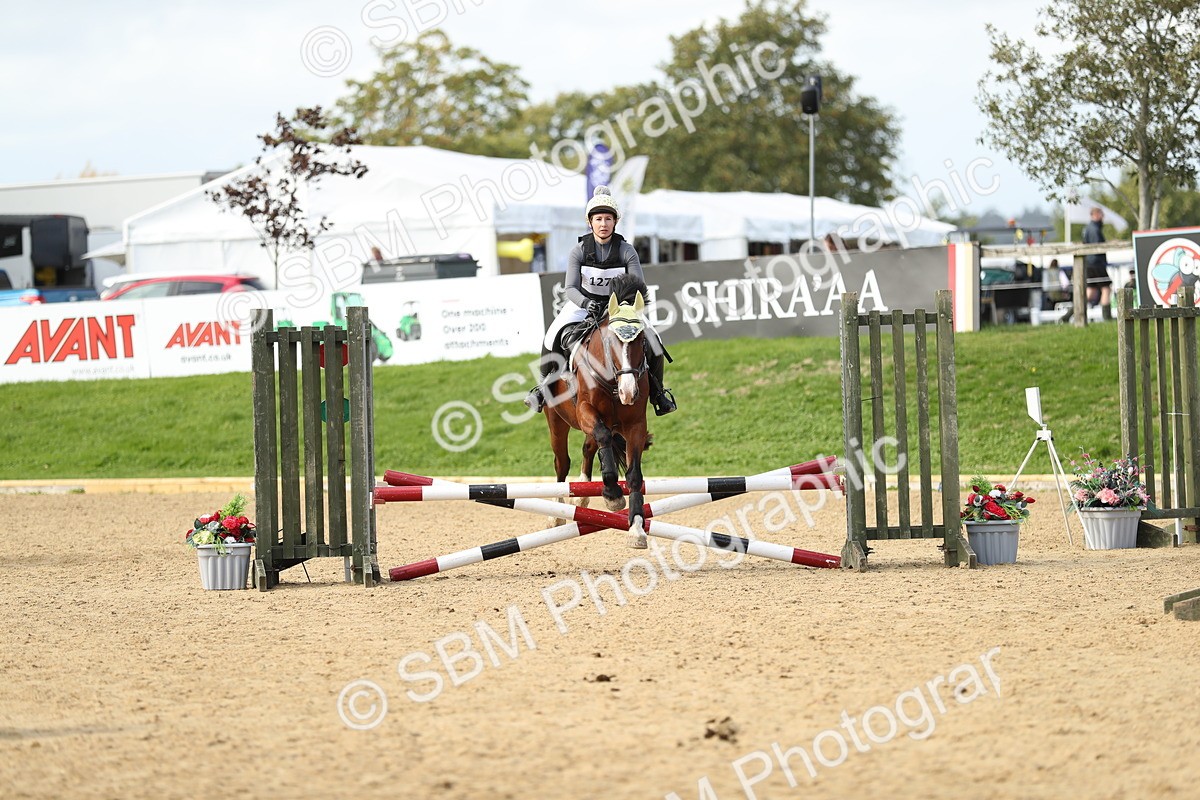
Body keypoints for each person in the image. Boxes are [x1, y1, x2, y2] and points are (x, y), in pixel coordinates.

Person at [524, 186, 676, 415]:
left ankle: (658, 394)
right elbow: (570, 288)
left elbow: (637, 288)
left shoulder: (627, 251)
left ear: (615, 222)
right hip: (584, 304)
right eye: (598, 219)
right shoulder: (579, 251)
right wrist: (586, 303)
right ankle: (543, 388)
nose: (603, 224)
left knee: (653, 337)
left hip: (619, 309)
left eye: (608, 219)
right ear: (590, 222)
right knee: (552, 334)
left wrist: (622, 308)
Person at [1082, 207, 1112, 310]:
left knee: (1091, 290)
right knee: (1106, 288)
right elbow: (1097, 247)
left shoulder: (1088, 228)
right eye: (1101, 214)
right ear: (1096, 215)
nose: (1102, 217)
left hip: (1089, 263)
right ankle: (1106, 317)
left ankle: (1070, 314)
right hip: (1096, 263)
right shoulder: (1095, 229)